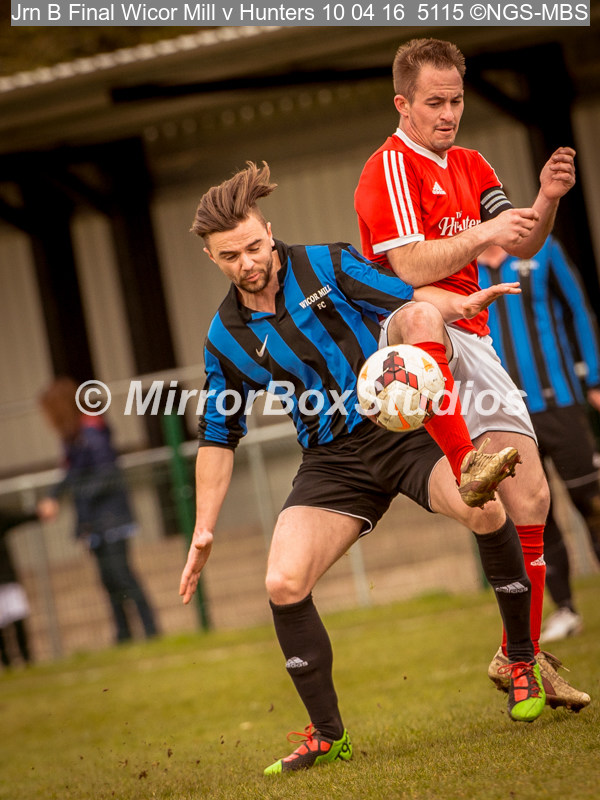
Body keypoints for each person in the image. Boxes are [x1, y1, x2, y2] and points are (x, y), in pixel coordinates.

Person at [180, 162, 547, 777]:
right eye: (230, 256)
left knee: (485, 508)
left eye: (253, 247)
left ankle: (521, 661)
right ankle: (329, 736)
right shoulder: (226, 337)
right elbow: (219, 436)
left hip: (403, 432)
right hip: (332, 463)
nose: (247, 263)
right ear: (211, 258)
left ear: (268, 231)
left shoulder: (326, 263)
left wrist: (458, 305)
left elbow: (405, 300)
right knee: (283, 582)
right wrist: (203, 527)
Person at [355, 37, 590, 711]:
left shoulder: (474, 163)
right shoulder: (388, 167)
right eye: (435, 102)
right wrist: (482, 237)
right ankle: (464, 462)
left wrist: (545, 200)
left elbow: (519, 241)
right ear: (402, 104)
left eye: (456, 100)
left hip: (474, 333)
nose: (449, 113)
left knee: (533, 501)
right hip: (408, 332)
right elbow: (409, 268)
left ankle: (522, 658)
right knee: (423, 314)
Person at [479, 235, 600, 642]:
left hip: (560, 401)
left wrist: (595, 378)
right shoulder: (463, 268)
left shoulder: (545, 249)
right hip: (504, 415)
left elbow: (578, 310)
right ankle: (565, 608)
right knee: (534, 515)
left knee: (592, 501)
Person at [37, 378, 159, 644]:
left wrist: (79, 492)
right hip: (93, 521)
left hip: (111, 518)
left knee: (122, 575)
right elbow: (69, 473)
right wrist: (53, 497)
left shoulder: (91, 432)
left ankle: (151, 630)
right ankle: (124, 634)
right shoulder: (73, 438)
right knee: (108, 580)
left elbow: (107, 474)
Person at [0, 508, 36, 668]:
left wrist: (38, 514)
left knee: (18, 616)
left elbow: (16, 518)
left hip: (7, 577)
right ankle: (6, 661)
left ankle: (26, 657)